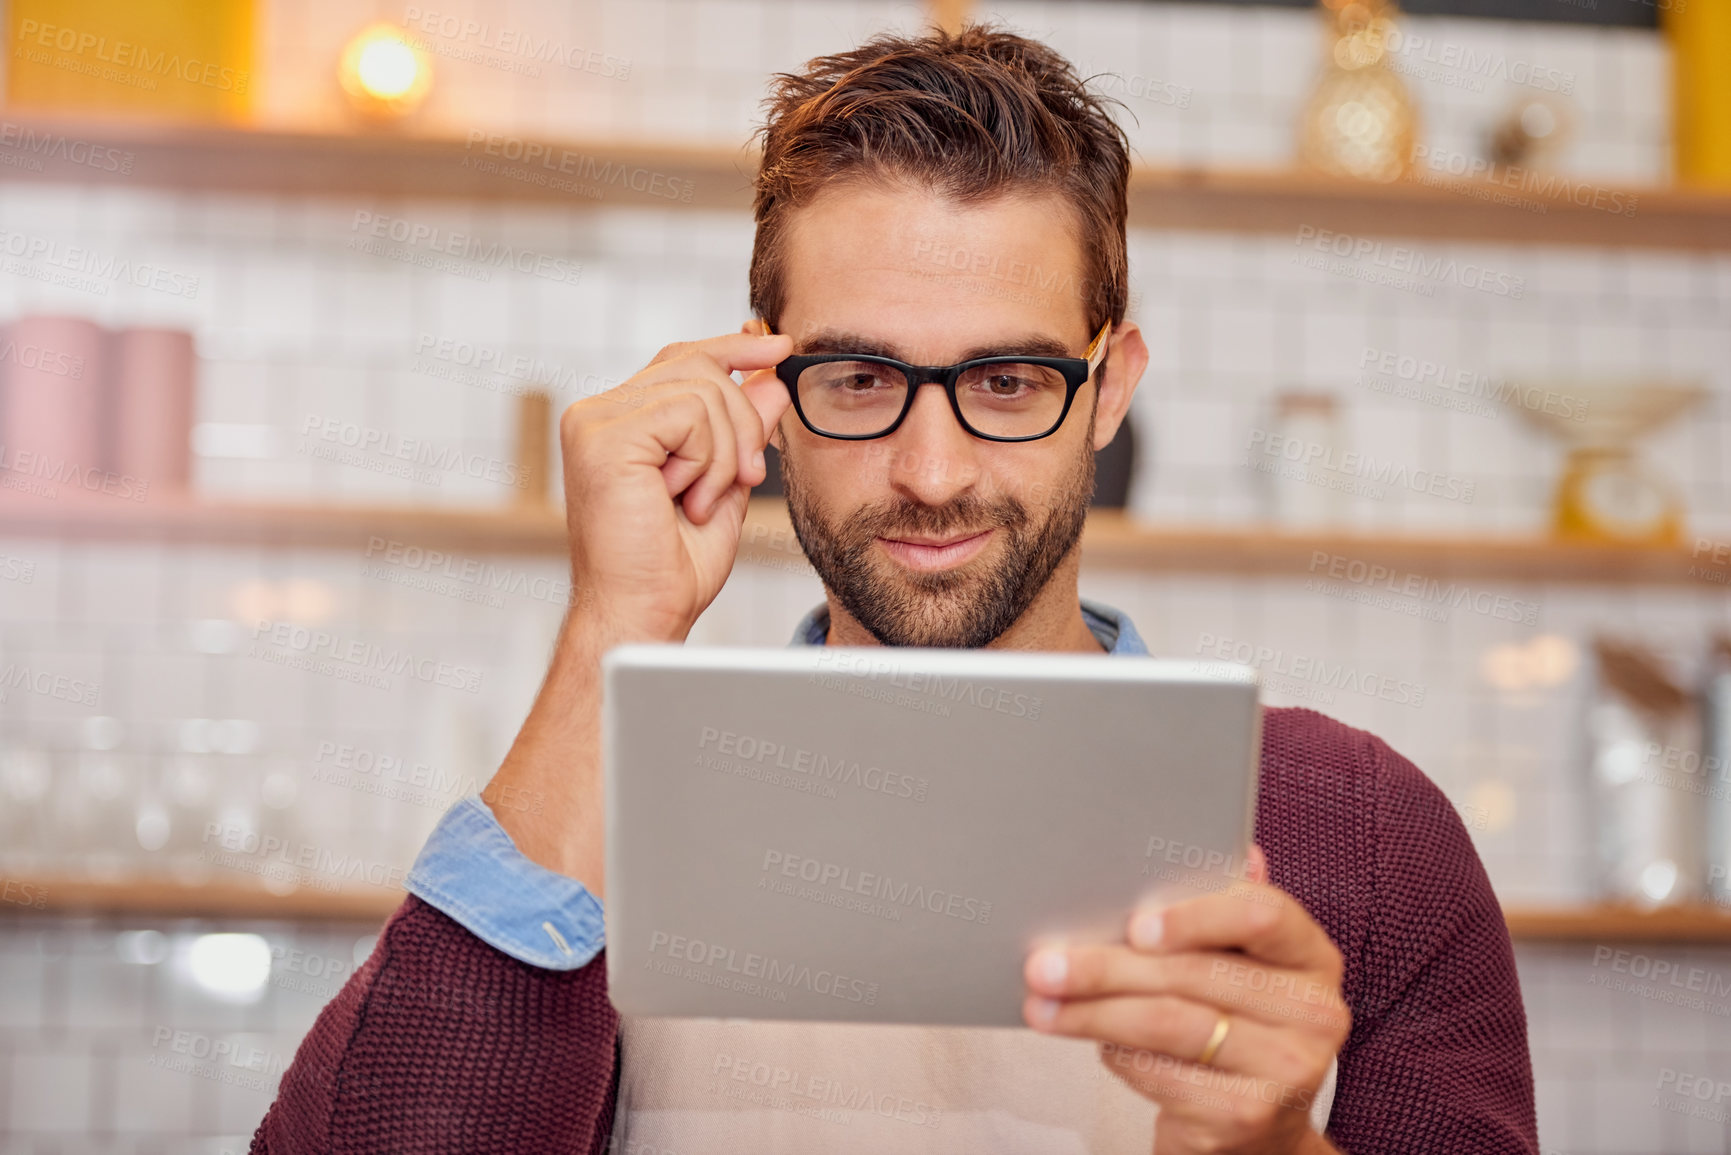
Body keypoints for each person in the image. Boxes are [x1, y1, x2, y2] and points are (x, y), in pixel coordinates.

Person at [250, 25, 1537, 1155]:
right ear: (766, 395)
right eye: (861, 380)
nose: (932, 474)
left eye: (1010, 384)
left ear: (1112, 391)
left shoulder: (1365, 836)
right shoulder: (607, 812)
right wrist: (610, 633)